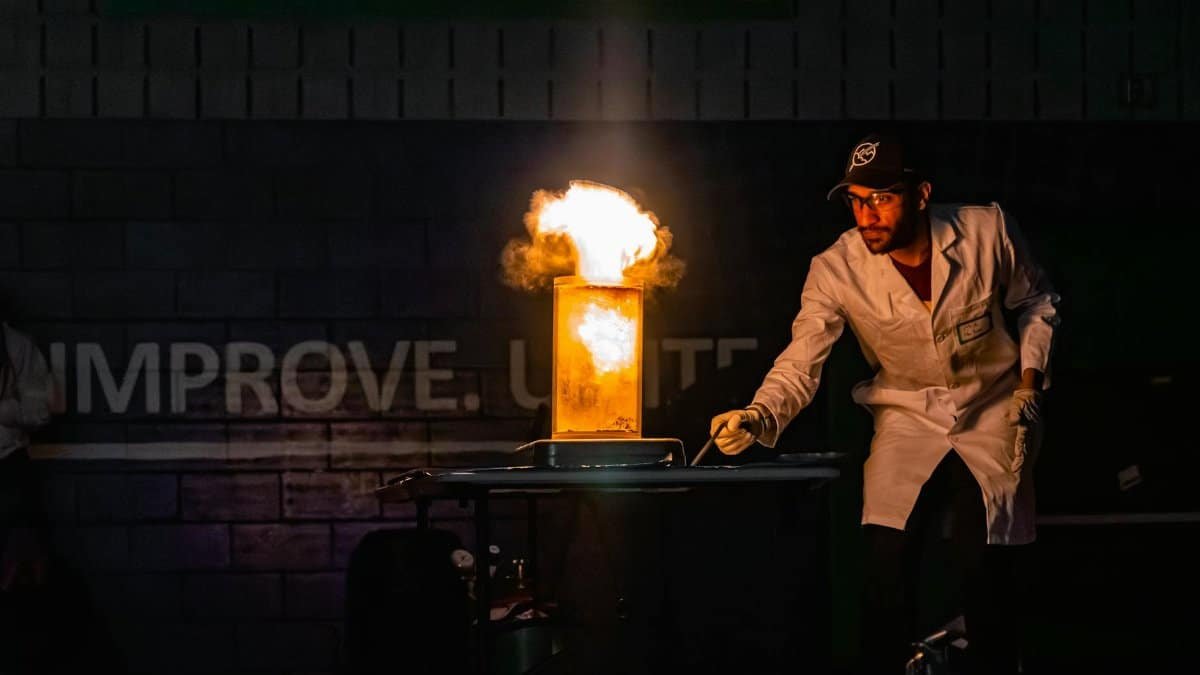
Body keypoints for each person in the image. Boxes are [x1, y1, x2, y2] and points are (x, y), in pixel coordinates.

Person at [710, 134, 1059, 674]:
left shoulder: (986, 232)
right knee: (885, 561)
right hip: (907, 413)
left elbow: (1037, 302)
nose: (866, 214)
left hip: (995, 406)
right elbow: (803, 359)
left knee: (985, 561)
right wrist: (758, 415)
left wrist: (1030, 384)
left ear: (921, 194)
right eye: (855, 199)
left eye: (882, 198)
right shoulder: (835, 269)